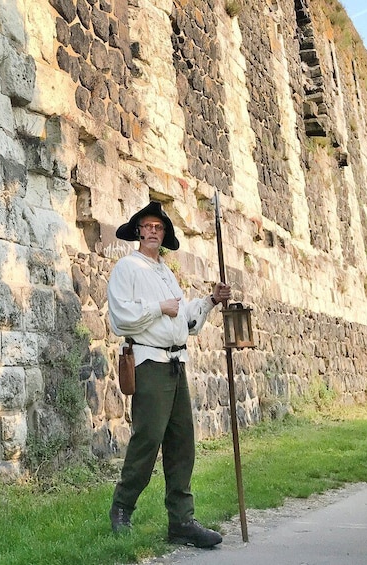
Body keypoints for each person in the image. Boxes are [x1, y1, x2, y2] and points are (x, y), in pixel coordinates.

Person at [107, 200, 231, 548]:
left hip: (177, 366)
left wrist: (210, 301)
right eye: (146, 226)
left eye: (157, 228)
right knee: (147, 439)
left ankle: (182, 521)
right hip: (149, 364)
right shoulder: (128, 268)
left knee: (182, 444)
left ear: (163, 236)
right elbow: (122, 318)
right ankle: (122, 509)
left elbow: (185, 320)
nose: (151, 231)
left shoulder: (165, 272)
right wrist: (158, 307)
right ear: (137, 232)